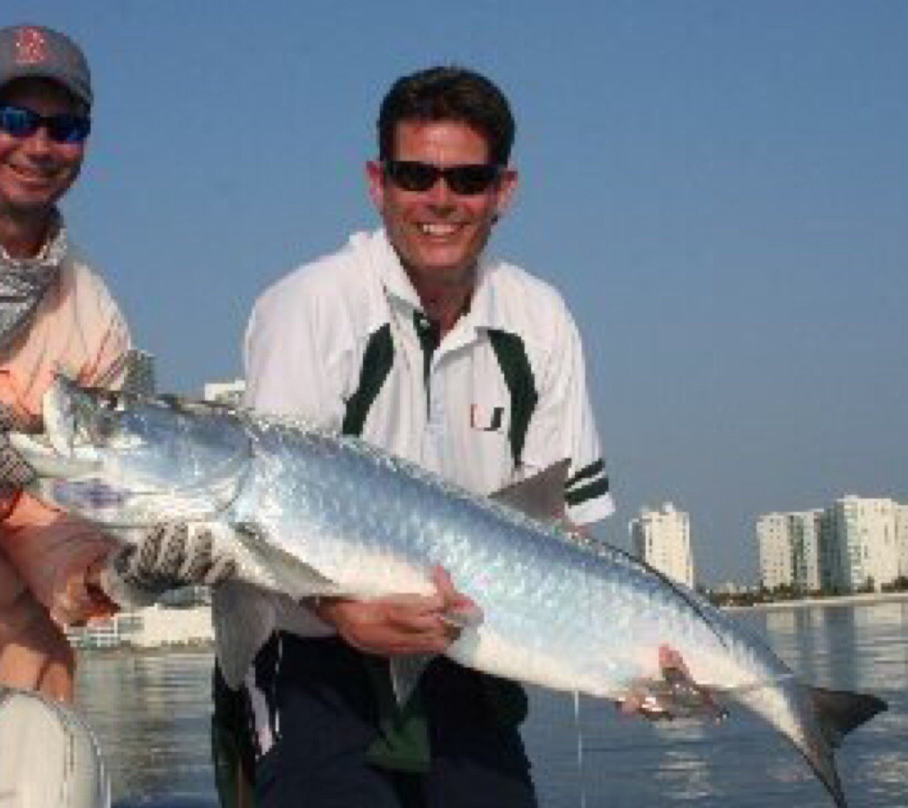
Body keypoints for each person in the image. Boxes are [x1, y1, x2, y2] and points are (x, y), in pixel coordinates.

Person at [214, 65, 615, 807]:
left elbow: (563, 530)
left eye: (466, 179)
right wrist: (346, 614)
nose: (440, 200)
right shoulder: (309, 306)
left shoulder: (542, 319)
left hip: (466, 655)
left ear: (504, 190)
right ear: (377, 182)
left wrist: (623, 657)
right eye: (414, 174)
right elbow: (259, 515)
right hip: (311, 656)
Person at [0, 23, 233, 704]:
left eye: (65, 127)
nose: (39, 145)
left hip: (12, 696)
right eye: (13, 118)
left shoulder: (98, 321)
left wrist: (112, 577)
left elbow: (60, 517)